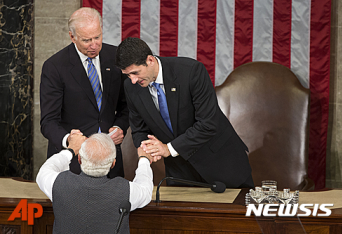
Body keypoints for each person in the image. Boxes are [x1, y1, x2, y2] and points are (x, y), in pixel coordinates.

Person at [115, 37, 254, 188]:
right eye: (127, 75)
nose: (133, 80)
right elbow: (139, 129)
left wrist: (168, 149)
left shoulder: (191, 72)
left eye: (135, 73)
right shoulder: (131, 87)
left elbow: (208, 123)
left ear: (150, 60)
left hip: (221, 163)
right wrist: (145, 148)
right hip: (180, 172)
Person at [40, 7, 129, 178]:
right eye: (87, 40)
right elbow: (48, 122)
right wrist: (69, 140)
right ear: (72, 37)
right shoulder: (55, 67)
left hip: (110, 160)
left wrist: (120, 126)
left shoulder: (115, 57)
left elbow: (127, 106)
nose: (94, 45)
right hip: (71, 163)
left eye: (98, 37)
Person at [36, 133, 153, 234]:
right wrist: (144, 159)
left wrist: (71, 150)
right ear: (113, 164)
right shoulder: (126, 190)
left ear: (80, 159)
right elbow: (146, 189)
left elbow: (45, 171)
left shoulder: (58, 184)